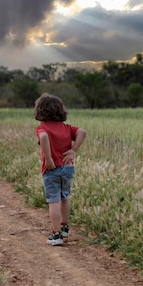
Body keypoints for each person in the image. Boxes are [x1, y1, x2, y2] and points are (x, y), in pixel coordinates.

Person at [34, 93, 86, 246]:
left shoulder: (42, 128)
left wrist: (49, 159)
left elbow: (43, 137)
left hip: (52, 169)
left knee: (53, 201)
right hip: (68, 168)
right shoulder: (66, 127)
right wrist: (73, 150)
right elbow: (82, 132)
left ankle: (56, 235)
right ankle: (64, 227)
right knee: (65, 197)